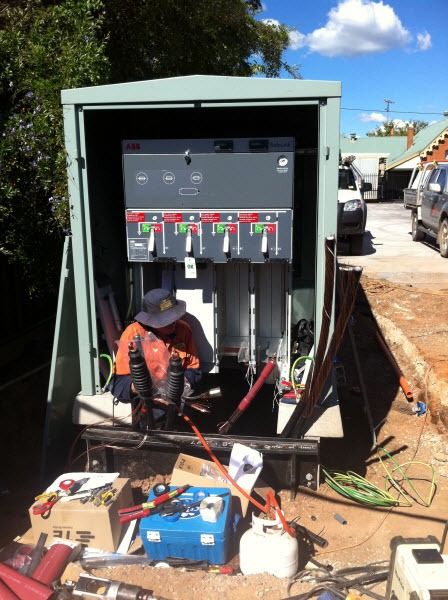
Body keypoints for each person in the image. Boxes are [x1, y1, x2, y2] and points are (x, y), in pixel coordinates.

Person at [109, 288, 201, 403]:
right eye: (167, 320)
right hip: (147, 405)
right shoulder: (133, 334)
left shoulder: (184, 329)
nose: (173, 322)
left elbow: (194, 369)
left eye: (174, 317)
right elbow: (119, 384)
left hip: (179, 400)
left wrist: (179, 385)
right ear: (151, 321)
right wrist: (140, 387)